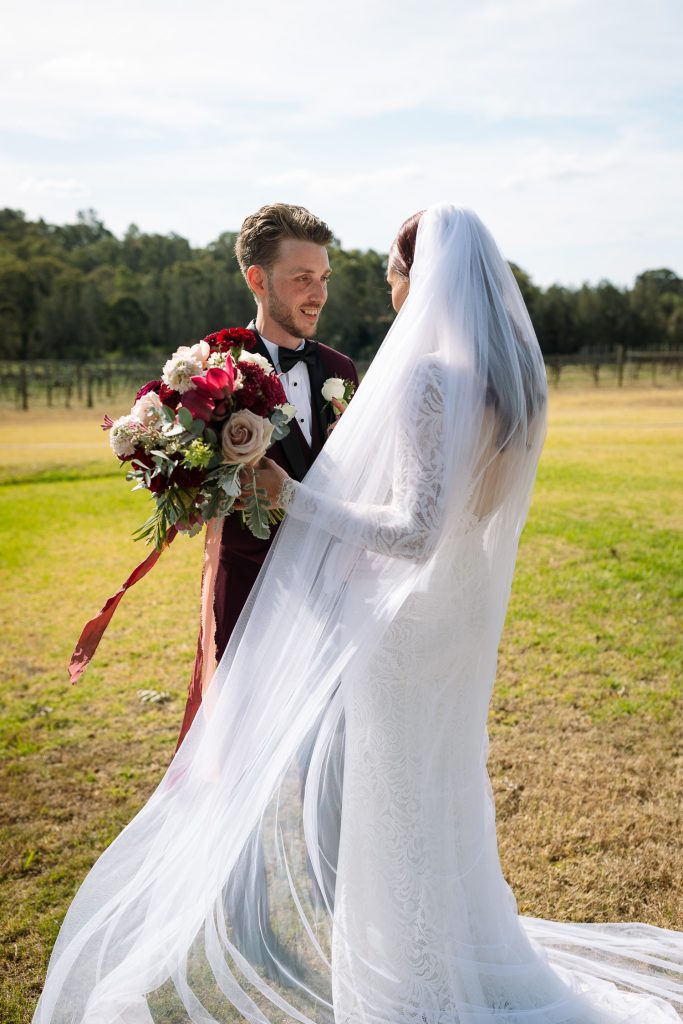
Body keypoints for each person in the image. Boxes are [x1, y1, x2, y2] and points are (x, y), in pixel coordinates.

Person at [33, 205, 683, 1024]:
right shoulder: (512, 378)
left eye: (383, 270)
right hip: (454, 615)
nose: (373, 286)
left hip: (401, 621)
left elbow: (409, 530)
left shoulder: (416, 375)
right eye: (307, 275)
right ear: (256, 278)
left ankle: (410, 985)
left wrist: (291, 497)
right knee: (433, 795)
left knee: (387, 804)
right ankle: (439, 954)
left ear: (423, 273)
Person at [177, 203, 359, 749]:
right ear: (257, 279)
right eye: (302, 278)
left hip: (330, 592)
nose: (318, 294)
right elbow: (189, 476)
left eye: (323, 278)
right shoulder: (214, 365)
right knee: (237, 751)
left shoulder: (342, 371)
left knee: (327, 750)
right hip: (247, 591)